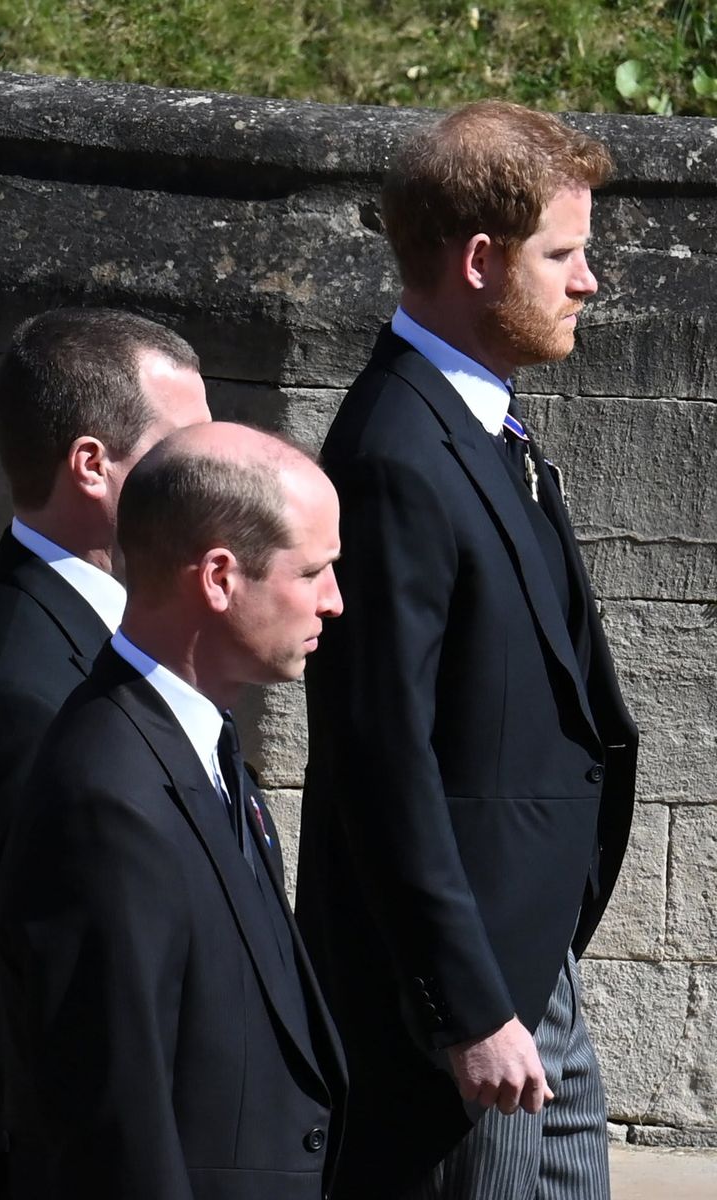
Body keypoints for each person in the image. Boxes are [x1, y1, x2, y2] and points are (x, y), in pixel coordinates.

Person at [297, 101, 638, 1200]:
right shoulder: (397, 450)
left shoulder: (482, 423)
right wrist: (467, 1005)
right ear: (481, 261)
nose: (589, 281)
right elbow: (379, 756)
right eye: (565, 254)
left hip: (528, 954)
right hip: (467, 1001)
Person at [0, 422, 347, 1200]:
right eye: (314, 571)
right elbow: (112, 1127)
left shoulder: (203, 747)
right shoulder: (107, 797)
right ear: (219, 577)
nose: (334, 601)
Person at [0, 307, 210, 861]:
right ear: (92, 467)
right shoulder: (28, 693)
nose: (215, 477)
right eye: (184, 452)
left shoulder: (132, 623)